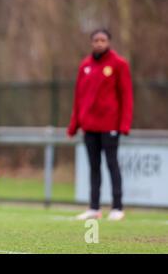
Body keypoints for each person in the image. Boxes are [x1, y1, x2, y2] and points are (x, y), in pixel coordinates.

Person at [67, 29, 133, 221]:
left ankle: (117, 207)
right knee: (93, 167)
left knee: (112, 165)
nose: (99, 43)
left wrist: (124, 124)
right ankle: (94, 207)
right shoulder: (85, 65)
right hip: (89, 126)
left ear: (109, 42)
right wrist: (74, 125)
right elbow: (79, 98)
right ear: (91, 43)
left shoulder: (119, 64)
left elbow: (126, 96)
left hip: (110, 125)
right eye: (96, 40)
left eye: (103, 40)